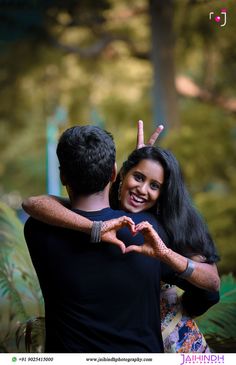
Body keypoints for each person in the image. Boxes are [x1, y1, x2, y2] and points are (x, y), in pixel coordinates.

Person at [23, 125, 220, 353]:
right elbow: (210, 291)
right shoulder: (147, 232)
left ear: (62, 175)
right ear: (115, 173)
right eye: (138, 177)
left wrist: (139, 166)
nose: (143, 189)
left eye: (154, 184)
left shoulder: (38, 227)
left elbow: (35, 203)